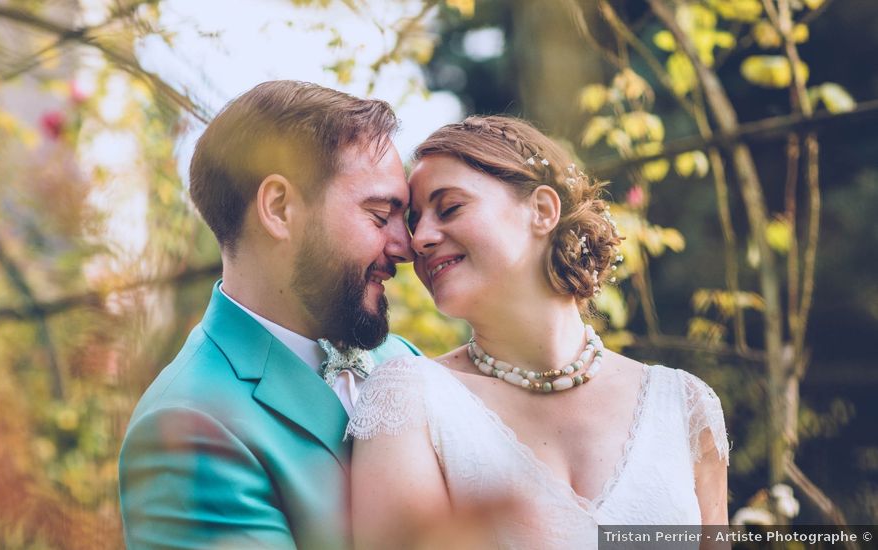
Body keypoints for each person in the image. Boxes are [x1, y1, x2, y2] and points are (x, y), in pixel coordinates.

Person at [348, 115, 729, 549]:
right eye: (416, 223)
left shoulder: (684, 406)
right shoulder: (409, 399)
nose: (419, 240)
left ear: (543, 210)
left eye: (450, 207)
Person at [118, 80, 421, 550]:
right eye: (380, 216)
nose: (406, 248)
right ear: (279, 208)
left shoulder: (402, 360)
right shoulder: (189, 427)